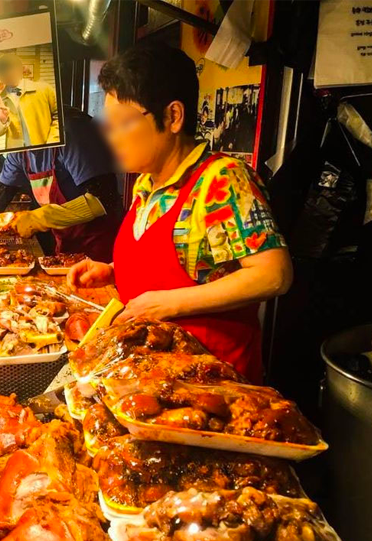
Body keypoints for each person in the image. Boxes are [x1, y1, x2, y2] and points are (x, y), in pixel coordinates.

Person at [67, 43, 292, 383]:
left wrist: (169, 305)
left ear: (172, 116)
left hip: (212, 384)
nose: (112, 139)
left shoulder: (221, 179)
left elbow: (274, 274)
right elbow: (192, 263)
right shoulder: (146, 184)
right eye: (107, 126)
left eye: (123, 123)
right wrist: (112, 271)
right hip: (149, 376)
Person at [0, 105, 121, 260]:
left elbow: (105, 198)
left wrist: (39, 218)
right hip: (65, 243)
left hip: (99, 246)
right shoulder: (20, 148)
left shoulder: (69, 131)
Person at [0, 53, 59, 149]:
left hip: (46, 147)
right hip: (17, 154)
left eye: (11, 67)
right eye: (2, 71)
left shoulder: (44, 89)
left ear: (21, 69)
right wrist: (3, 120)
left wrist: (53, 141)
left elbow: (59, 117)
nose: (8, 73)